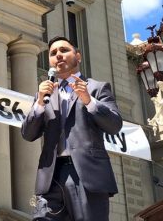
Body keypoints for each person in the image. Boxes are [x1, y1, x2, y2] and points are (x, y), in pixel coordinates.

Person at [21, 36, 122, 221]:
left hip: (86, 175)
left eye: (64, 50)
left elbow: (115, 125)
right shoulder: (44, 95)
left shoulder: (97, 88)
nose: (58, 55)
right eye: (53, 53)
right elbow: (28, 134)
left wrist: (89, 101)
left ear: (78, 56)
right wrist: (39, 105)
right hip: (50, 177)